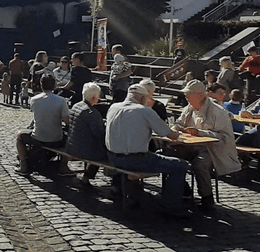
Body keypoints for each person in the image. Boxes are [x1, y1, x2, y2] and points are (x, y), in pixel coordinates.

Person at [104, 84, 189, 217]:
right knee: (180, 165)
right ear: (143, 98)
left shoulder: (113, 107)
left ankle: (142, 195)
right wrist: (180, 133)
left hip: (113, 157)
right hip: (134, 159)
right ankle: (170, 204)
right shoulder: (145, 111)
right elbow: (169, 134)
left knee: (158, 157)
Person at [174, 80, 240, 212]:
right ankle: (180, 191)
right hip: (189, 146)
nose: (186, 97)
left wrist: (200, 133)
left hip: (211, 150)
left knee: (200, 164)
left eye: (188, 95)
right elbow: (178, 123)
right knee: (168, 155)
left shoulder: (218, 112)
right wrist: (175, 129)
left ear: (199, 95)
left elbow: (223, 137)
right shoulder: (189, 108)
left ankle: (207, 198)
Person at [15, 75, 69, 175]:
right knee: (69, 139)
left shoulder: (34, 99)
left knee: (19, 137)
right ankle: (63, 166)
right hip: (56, 138)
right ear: (54, 85)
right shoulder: (61, 100)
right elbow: (67, 121)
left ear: (41, 85)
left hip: (38, 137)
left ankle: (23, 165)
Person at [66, 82, 106, 186]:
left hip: (72, 146)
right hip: (84, 150)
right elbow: (99, 134)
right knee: (109, 152)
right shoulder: (92, 113)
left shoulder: (76, 106)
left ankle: (86, 178)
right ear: (94, 98)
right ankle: (87, 178)